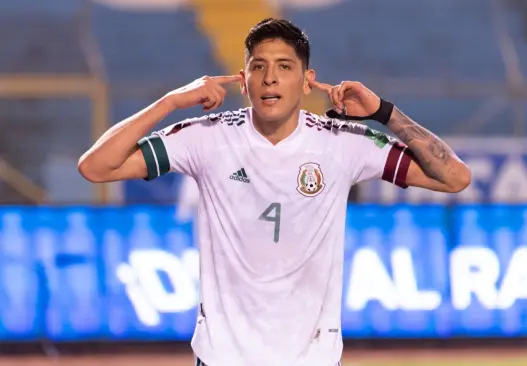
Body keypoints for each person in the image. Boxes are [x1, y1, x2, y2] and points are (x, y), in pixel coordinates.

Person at [78, 18, 471, 366]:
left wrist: (384, 113)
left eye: (284, 67)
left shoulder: (342, 142)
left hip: (312, 358)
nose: (270, 78)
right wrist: (171, 101)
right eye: (259, 67)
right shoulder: (207, 137)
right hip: (223, 358)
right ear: (244, 81)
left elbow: (454, 177)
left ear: (306, 80)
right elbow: (95, 166)